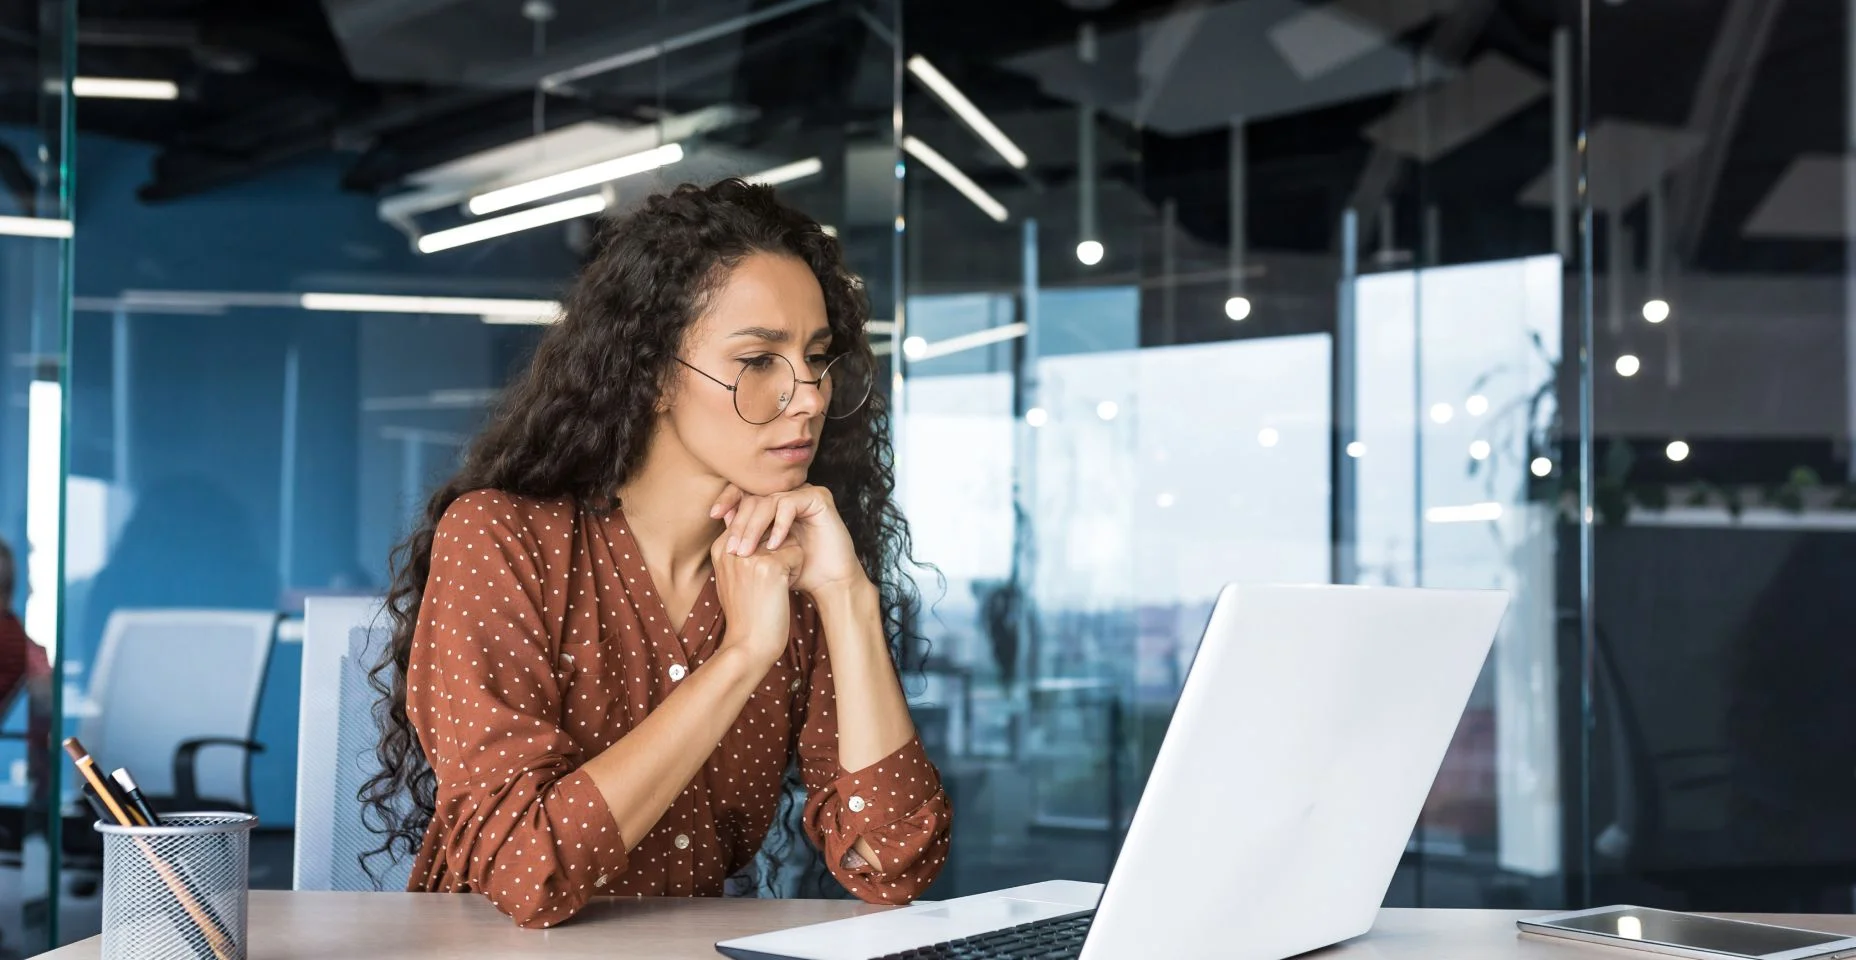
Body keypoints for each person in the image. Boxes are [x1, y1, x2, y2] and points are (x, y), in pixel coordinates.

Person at [364, 179, 950, 928]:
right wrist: (740, 656)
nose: (807, 395)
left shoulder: (797, 571)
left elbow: (894, 865)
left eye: (815, 358)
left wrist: (848, 598)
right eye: (758, 361)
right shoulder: (500, 539)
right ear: (653, 376)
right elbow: (524, 870)